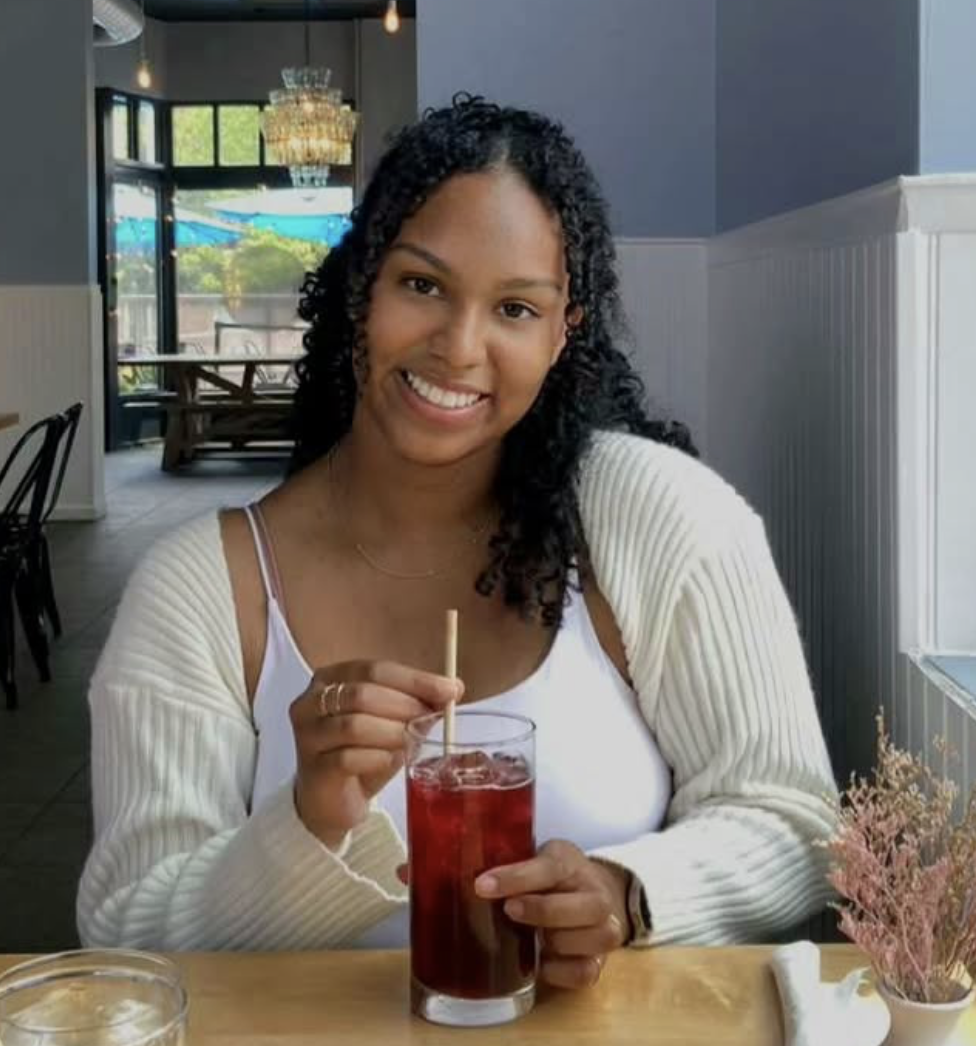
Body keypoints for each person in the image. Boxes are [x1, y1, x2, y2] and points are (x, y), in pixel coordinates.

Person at [78, 95, 837, 989]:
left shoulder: (659, 517)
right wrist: (306, 825)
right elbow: (124, 926)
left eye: (516, 309)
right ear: (361, 285)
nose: (458, 347)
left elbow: (794, 820)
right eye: (423, 285)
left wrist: (629, 895)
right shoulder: (201, 589)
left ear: (563, 336)